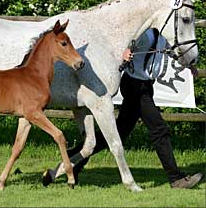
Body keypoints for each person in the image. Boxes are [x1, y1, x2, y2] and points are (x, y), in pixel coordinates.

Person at [43, 28, 203, 189]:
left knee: (118, 131)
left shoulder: (160, 32)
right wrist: (125, 53)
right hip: (134, 85)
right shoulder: (142, 32)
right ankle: (176, 179)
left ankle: (73, 159)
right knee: (159, 129)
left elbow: (169, 51)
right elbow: (125, 45)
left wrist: (189, 65)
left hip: (146, 85)